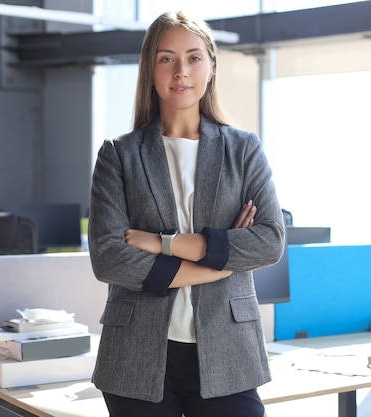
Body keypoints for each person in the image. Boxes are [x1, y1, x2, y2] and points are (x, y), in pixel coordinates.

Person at [87, 10, 285, 417]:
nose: (181, 71)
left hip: (228, 350)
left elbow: (269, 241)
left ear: (211, 67)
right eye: (167, 58)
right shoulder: (118, 154)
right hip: (136, 356)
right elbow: (109, 257)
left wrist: (161, 243)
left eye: (194, 57)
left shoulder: (243, 148)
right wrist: (219, 263)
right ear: (151, 69)